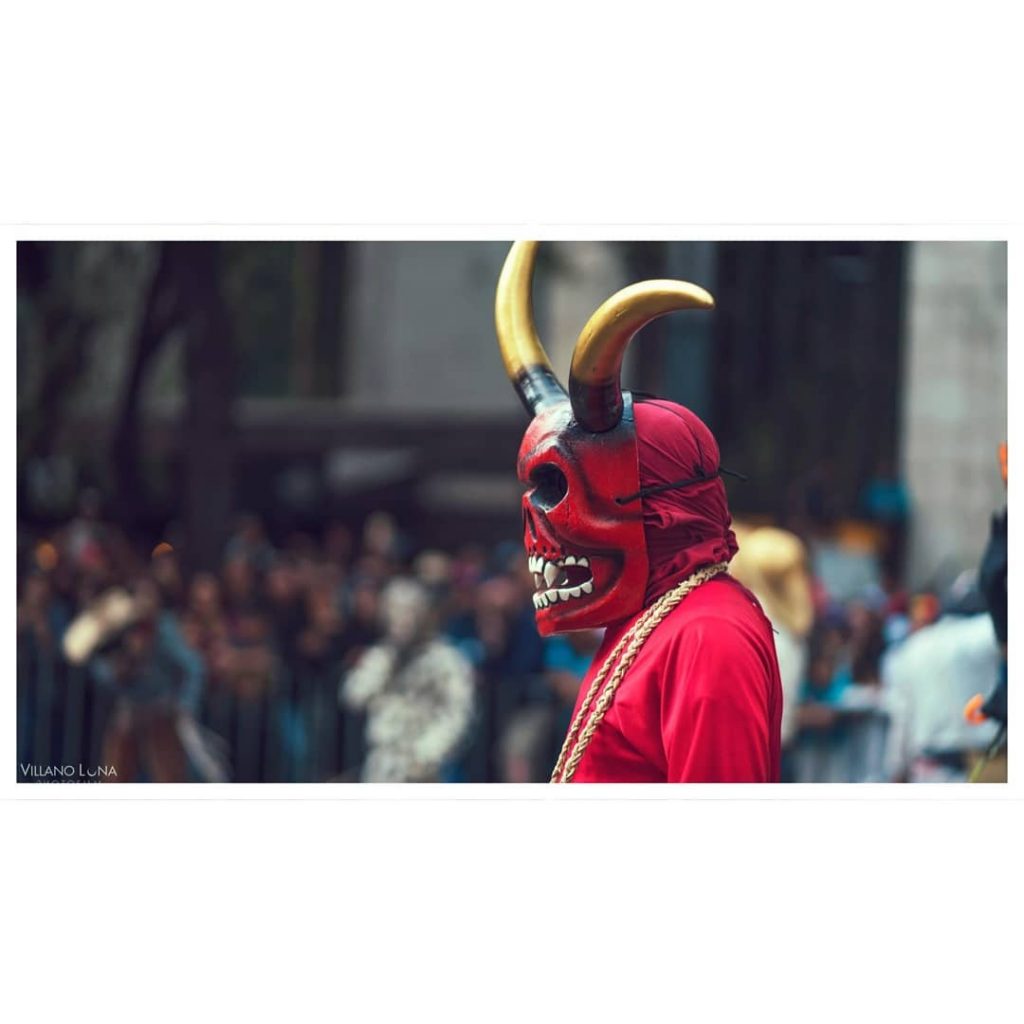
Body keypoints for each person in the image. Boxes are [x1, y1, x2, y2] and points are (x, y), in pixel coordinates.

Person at [493, 241, 783, 782]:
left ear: (659, 510)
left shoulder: (708, 634)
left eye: (558, 489)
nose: (538, 519)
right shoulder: (653, 622)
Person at [340, 577, 475, 782]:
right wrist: (381, 669)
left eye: (408, 610)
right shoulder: (381, 656)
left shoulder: (446, 660)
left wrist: (428, 752)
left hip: (420, 766)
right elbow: (353, 696)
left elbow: (459, 713)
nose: (401, 619)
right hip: (382, 762)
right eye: (393, 610)